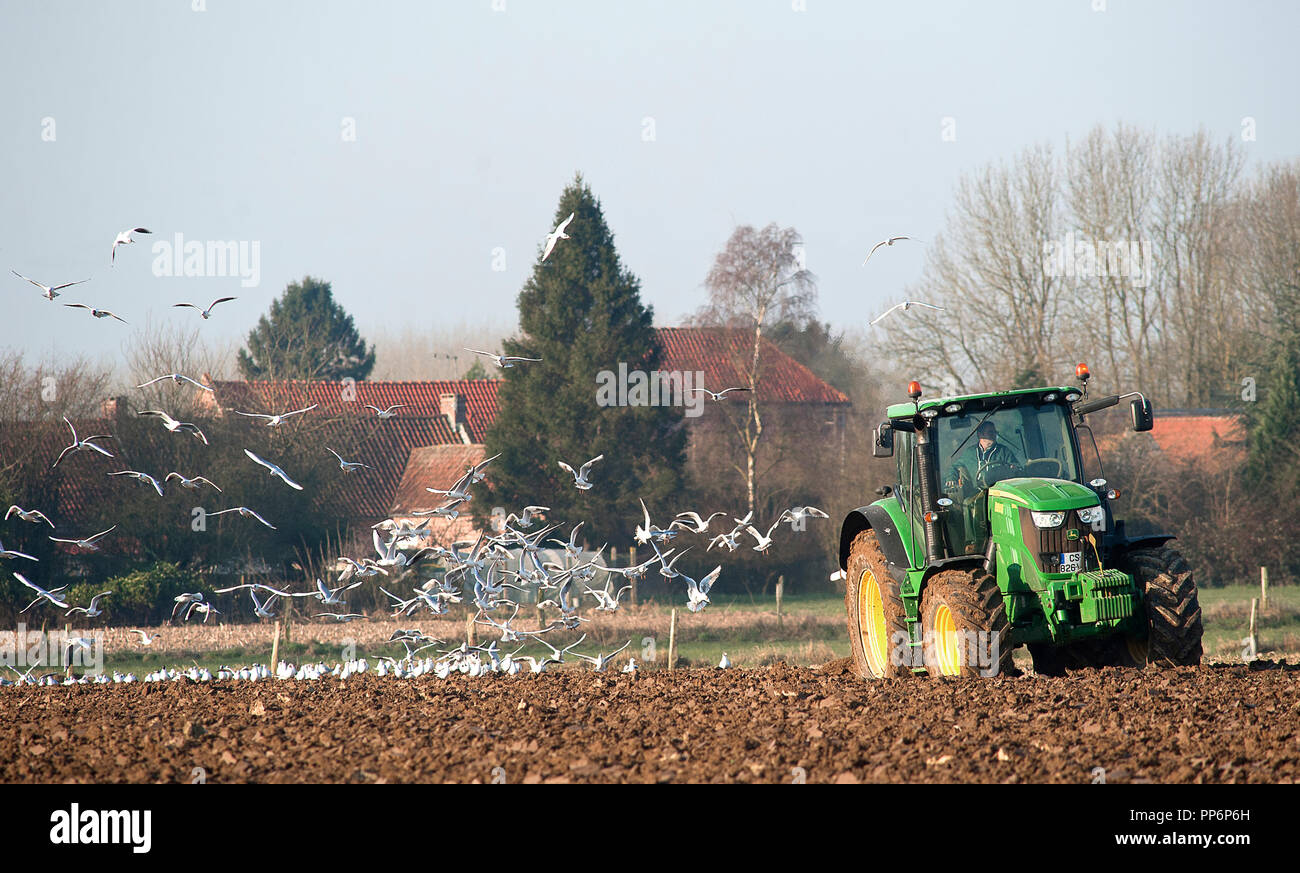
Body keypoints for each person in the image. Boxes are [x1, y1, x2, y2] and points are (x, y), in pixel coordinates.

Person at [944, 420, 1022, 499]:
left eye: (995, 432)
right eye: (990, 432)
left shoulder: (1004, 451)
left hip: (998, 494)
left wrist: (1014, 469)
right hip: (975, 494)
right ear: (980, 434)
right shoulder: (970, 453)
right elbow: (955, 467)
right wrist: (951, 478)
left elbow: (1017, 468)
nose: (994, 434)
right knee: (964, 503)